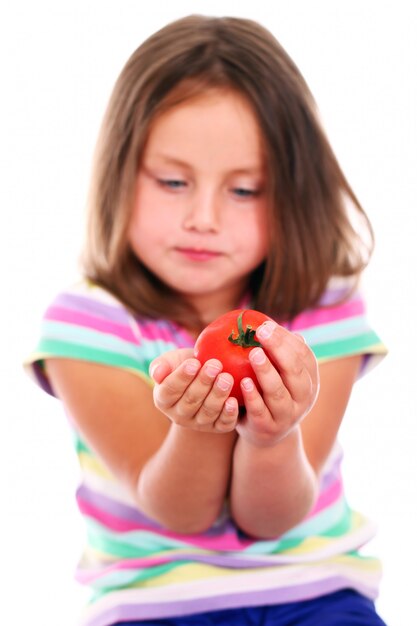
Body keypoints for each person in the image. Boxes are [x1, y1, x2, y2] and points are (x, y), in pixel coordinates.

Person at [24, 14, 388, 626]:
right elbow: (179, 513)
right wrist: (195, 426)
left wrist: (272, 434)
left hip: (319, 592)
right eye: (172, 181)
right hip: (154, 607)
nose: (203, 218)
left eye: (244, 190)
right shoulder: (86, 325)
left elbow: (271, 518)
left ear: (293, 194)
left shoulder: (325, 309)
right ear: (121, 172)